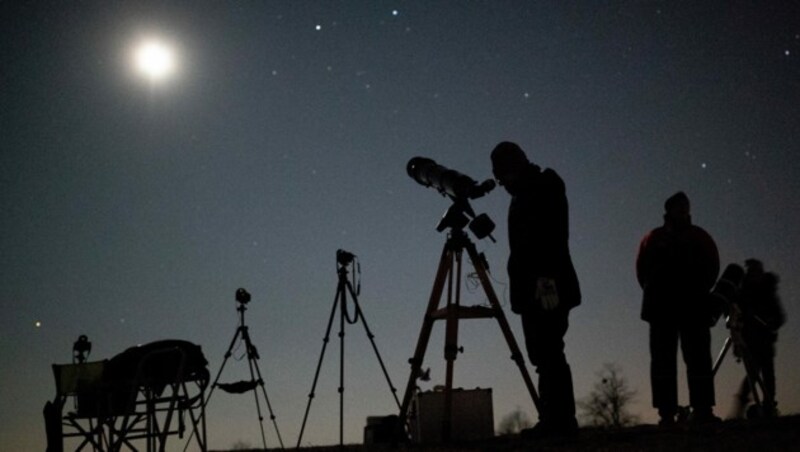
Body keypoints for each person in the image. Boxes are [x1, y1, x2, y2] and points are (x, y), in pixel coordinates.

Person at [491, 141, 581, 437]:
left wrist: (545, 280)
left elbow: (549, 236)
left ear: (512, 168)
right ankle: (554, 419)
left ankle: (561, 422)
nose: (501, 184)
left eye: (503, 176)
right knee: (544, 354)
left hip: (547, 284)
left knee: (550, 350)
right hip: (534, 285)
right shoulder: (527, 191)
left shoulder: (543, 187)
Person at [636, 191, 720, 425]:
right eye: (679, 208)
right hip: (663, 307)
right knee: (663, 360)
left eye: (685, 208)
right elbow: (643, 270)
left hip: (691, 305)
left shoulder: (698, 236)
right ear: (669, 210)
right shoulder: (654, 238)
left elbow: (712, 266)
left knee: (698, 358)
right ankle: (666, 412)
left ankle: (703, 409)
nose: (683, 212)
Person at [731, 258, 785, 418]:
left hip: (765, 338)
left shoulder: (767, 291)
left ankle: (769, 405)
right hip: (750, 338)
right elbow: (737, 314)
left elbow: (779, 317)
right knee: (753, 372)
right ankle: (747, 403)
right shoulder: (744, 292)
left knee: (766, 372)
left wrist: (770, 323)